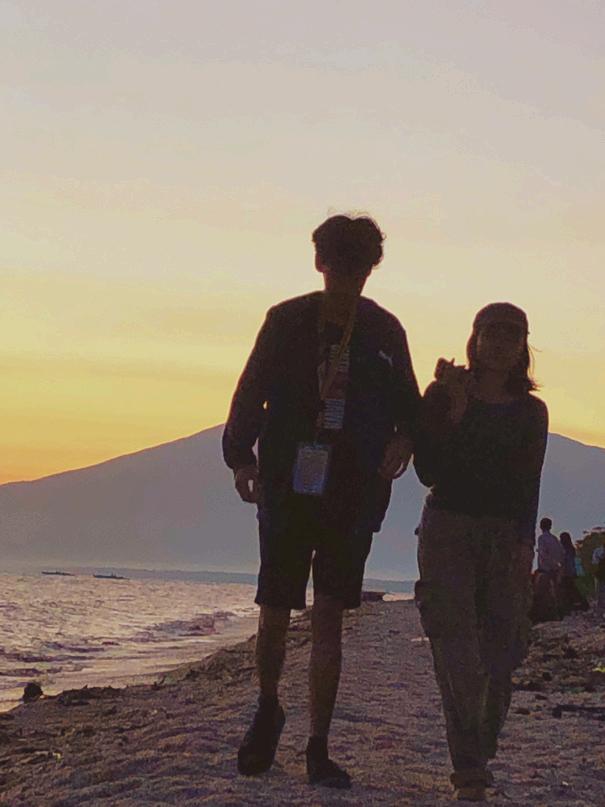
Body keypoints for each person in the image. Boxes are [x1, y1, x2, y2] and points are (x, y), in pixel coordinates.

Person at [222, 214, 420, 788]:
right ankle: (267, 708)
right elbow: (249, 391)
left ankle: (318, 745)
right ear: (320, 262)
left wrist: (404, 440)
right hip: (288, 481)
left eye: (357, 266)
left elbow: (409, 408)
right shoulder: (286, 321)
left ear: (370, 269)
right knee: (275, 605)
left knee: (329, 613)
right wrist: (241, 458)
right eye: (340, 263)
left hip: (353, 491)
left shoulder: (384, 331)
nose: (348, 275)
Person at [413, 302, 548, 802]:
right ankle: (468, 767)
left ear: (523, 347)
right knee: (455, 651)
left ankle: (478, 745)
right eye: (492, 332)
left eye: (512, 335)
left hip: (504, 536)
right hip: (448, 528)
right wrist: (453, 412)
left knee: (502, 653)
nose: (501, 343)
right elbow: (427, 469)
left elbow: (528, 483)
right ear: (475, 338)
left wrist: (524, 544)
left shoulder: (531, 411)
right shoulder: (444, 393)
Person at [558, 531, 589, 613]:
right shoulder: (572, 549)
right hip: (573, 572)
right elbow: (576, 561)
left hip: (567, 572)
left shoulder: (564, 550)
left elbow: (564, 562)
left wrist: (561, 572)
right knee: (573, 589)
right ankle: (581, 604)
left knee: (569, 589)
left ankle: (575, 605)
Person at [592, 538, 605, 616]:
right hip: (601, 573)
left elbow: (594, 563)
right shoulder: (598, 551)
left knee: (601, 590)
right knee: (601, 590)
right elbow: (595, 563)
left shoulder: (598, 551)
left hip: (601, 573)